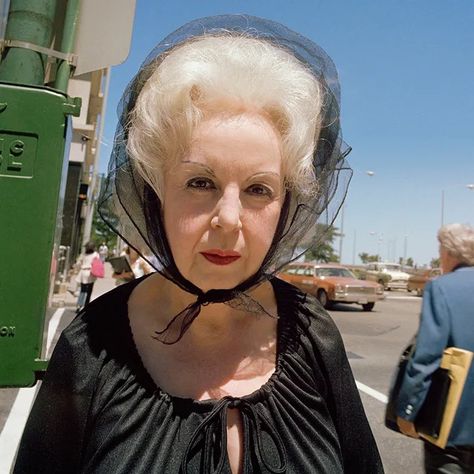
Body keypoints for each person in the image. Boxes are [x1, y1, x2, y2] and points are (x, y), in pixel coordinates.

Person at [14, 15, 383, 473]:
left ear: (287, 204)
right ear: (155, 191)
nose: (229, 218)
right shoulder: (91, 349)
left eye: (258, 189)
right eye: (201, 182)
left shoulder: (313, 336)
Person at [397, 223, 474, 473]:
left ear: (449, 253)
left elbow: (426, 357)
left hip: (452, 427)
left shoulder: (442, 288)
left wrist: (407, 411)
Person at [73, 241, 99, 313]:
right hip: (91, 273)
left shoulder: (83, 255)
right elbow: (98, 264)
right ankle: (86, 306)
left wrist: (77, 269)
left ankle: (79, 306)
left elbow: (78, 263)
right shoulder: (96, 255)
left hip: (83, 272)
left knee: (82, 290)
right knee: (89, 291)